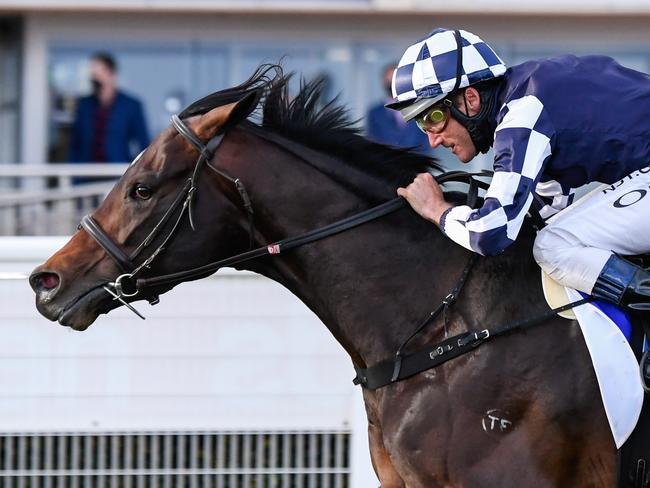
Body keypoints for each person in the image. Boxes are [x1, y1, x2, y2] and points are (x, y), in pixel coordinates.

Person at [389, 28, 650, 311]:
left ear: (472, 99)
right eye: (421, 124)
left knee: (553, 245)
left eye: (434, 117)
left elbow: (491, 233)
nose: (432, 138)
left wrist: (436, 210)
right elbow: (551, 209)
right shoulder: (530, 93)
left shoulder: (523, 112)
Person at [69, 52, 149, 167]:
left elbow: (143, 144)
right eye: (93, 75)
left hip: (117, 174)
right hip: (85, 175)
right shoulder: (84, 105)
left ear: (111, 73)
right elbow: (75, 145)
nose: (94, 79)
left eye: (98, 73)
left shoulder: (131, 105)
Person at [366, 64, 431, 154]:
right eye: (389, 80)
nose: (391, 83)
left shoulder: (419, 107)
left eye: (394, 79)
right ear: (383, 81)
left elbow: (426, 140)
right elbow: (372, 141)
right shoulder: (375, 113)